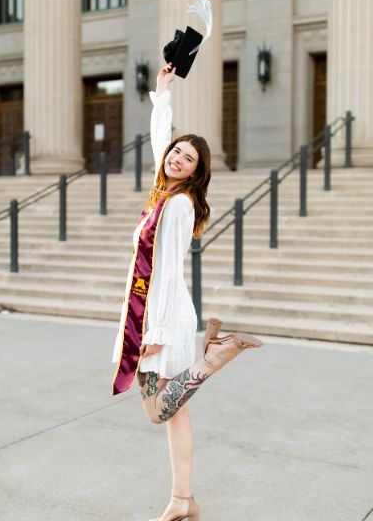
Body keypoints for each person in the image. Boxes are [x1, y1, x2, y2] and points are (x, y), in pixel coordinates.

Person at [109, 62, 264, 521]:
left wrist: (154, 330)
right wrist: (163, 93)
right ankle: (183, 500)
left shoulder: (177, 205)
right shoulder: (165, 193)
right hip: (161, 313)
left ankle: (212, 359)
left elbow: (169, 272)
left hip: (166, 315)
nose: (176, 158)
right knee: (173, 415)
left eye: (187, 159)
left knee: (158, 411)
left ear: (196, 173)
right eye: (175, 152)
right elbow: (161, 143)